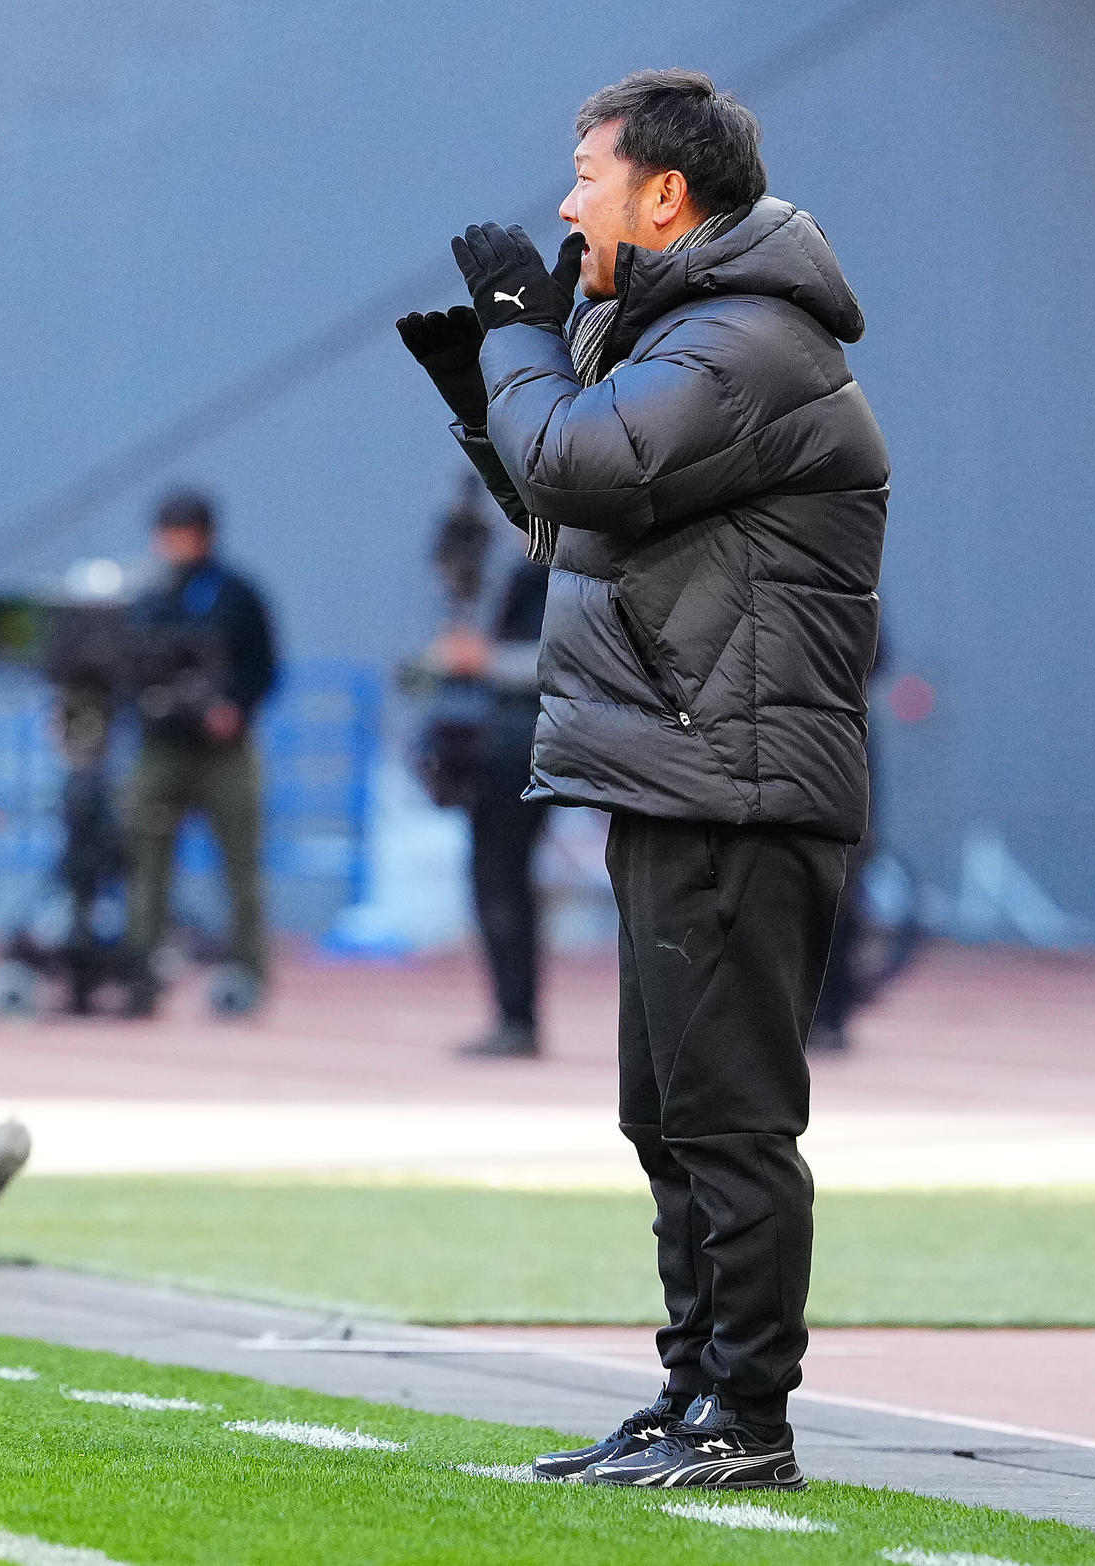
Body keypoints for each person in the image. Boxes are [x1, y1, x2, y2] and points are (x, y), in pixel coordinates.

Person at [397, 70, 887, 1489]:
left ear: (665, 195)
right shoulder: (687, 338)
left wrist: (517, 344)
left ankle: (751, 1415)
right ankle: (690, 1399)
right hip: (679, 768)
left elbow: (584, 464)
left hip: (735, 778)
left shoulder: (751, 342)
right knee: (664, 1110)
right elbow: (572, 517)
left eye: (589, 177)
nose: (565, 205)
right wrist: (486, 385)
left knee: (728, 1115)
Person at [122, 491, 280, 1016]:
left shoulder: (237, 595)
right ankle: (140, 967)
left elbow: (265, 668)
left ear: (204, 535)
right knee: (145, 863)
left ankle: (247, 975)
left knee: (240, 865)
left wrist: (234, 707)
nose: (170, 544)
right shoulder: (148, 597)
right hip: (162, 747)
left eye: (180, 532)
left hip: (224, 750)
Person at [427, 546, 551, 1059]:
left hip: (531, 742)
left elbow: (571, 660)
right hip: (524, 740)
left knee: (499, 877)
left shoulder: (563, 569)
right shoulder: (530, 570)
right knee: (497, 879)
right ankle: (513, 1015)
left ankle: (516, 1018)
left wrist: (485, 660)